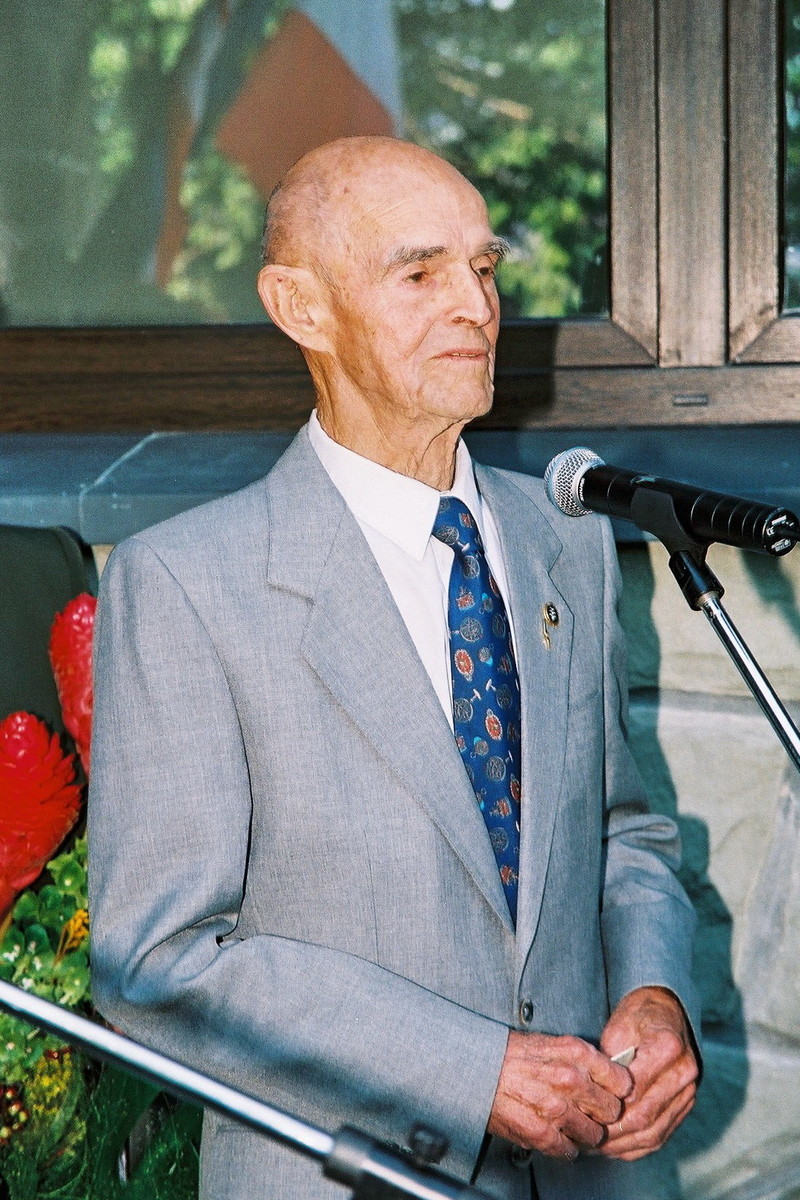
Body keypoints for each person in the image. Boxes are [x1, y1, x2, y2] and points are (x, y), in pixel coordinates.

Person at [88, 136, 700, 1200]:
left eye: (484, 267)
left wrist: (654, 991)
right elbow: (155, 963)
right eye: (420, 274)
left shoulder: (566, 541)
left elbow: (621, 834)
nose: (476, 305)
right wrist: (465, 1073)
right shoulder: (187, 584)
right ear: (300, 308)